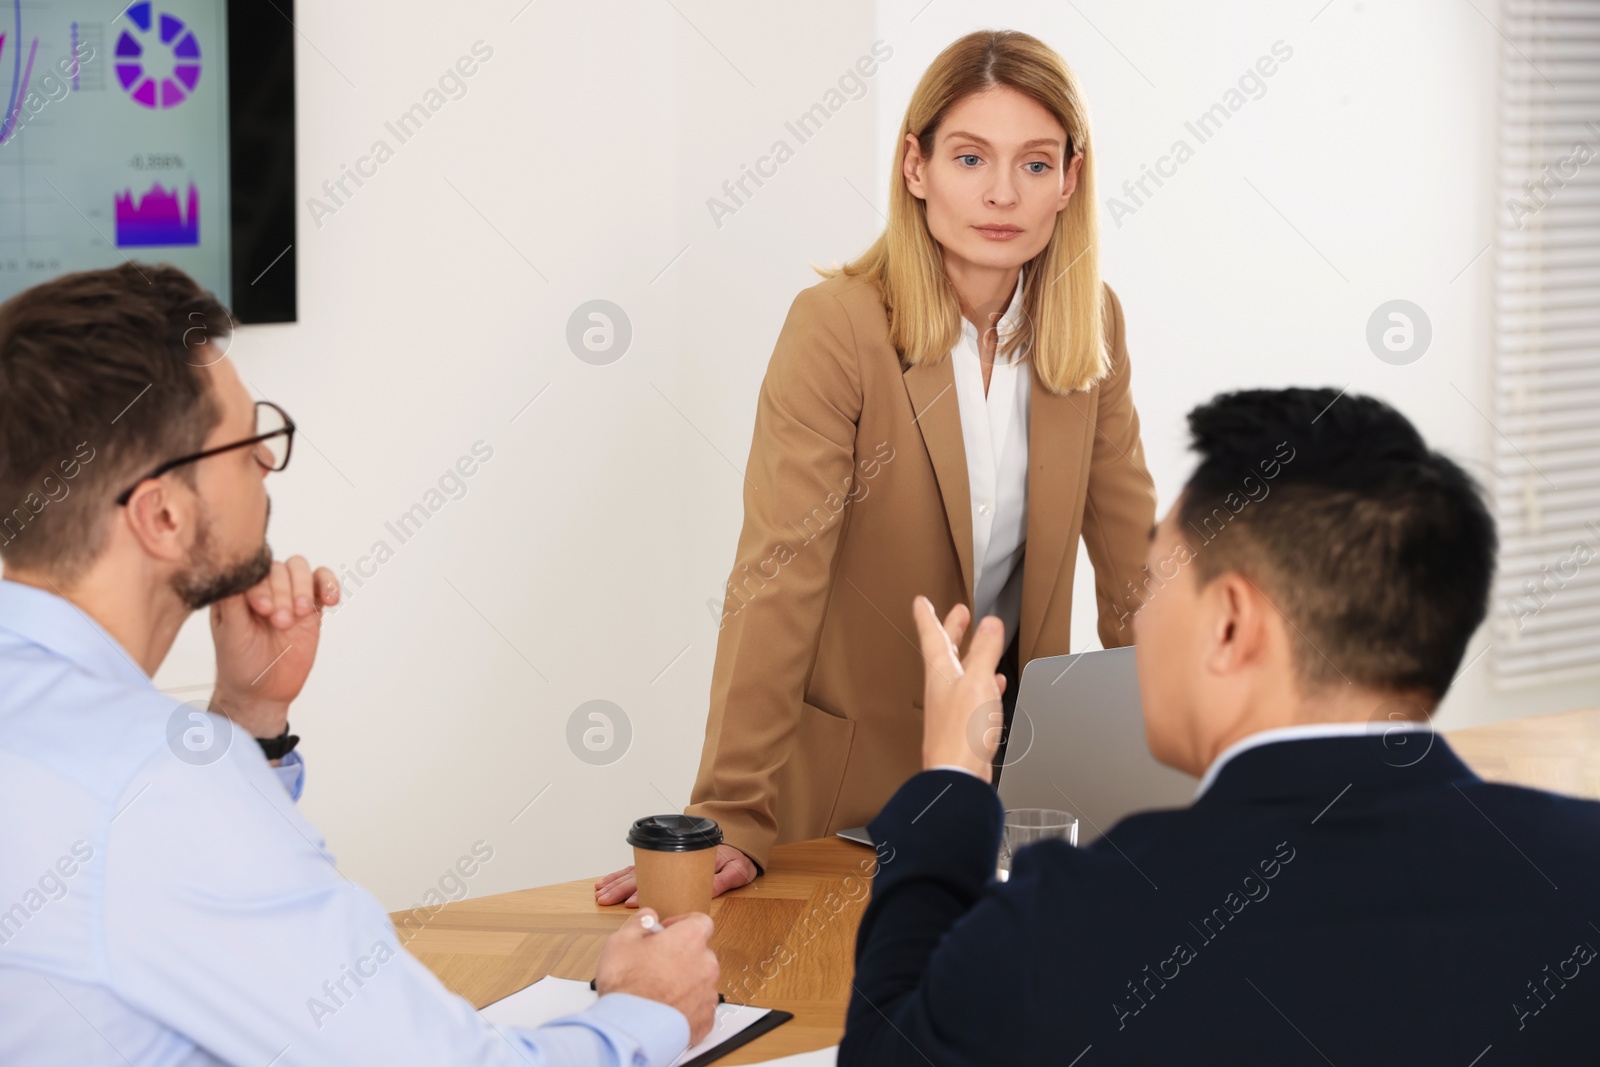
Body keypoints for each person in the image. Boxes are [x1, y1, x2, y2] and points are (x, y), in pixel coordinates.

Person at [0, 264, 719, 1066]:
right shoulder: (155, 789)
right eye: (246, 442)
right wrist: (645, 1011)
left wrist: (248, 720)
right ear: (163, 514)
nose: (269, 466)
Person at [840, 387, 1600, 1064]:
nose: (1139, 613)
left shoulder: (1068, 926)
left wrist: (948, 783)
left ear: (1232, 622)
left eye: (1158, 577)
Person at [598, 28, 1155, 908]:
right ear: (916, 165)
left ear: (1070, 181)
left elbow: (1135, 566)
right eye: (971, 157)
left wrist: (1190, 766)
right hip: (859, 798)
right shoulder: (838, 329)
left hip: (1031, 792)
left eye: (1036, 164)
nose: (1003, 192)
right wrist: (730, 808)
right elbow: (778, 576)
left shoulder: (1093, 324)